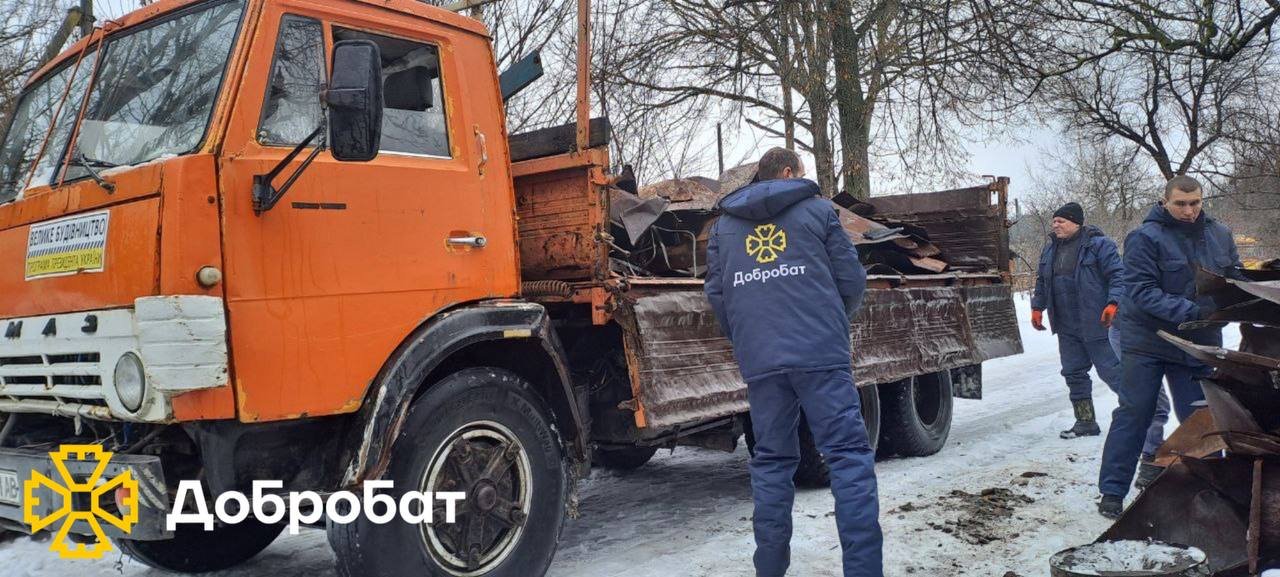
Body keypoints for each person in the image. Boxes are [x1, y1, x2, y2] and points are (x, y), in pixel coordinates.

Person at [705, 147, 881, 577]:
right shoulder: (818, 213)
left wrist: (750, 339)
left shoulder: (724, 228)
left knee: (771, 463)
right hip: (821, 354)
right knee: (847, 458)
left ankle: (769, 570)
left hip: (762, 361)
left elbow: (717, 296)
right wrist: (831, 319)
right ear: (788, 173)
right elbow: (851, 280)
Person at [1098, 175, 1243, 519]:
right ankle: (1112, 492)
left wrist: (1243, 298)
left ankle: (1212, 491)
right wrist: (1194, 313)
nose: (1189, 211)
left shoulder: (1220, 234)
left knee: (1202, 416)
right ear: (1165, 202)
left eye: (1195, 203)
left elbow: (1233, 276)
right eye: (1181, 203)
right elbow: (1142, 290)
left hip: (1198, 341)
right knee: (1136, 411)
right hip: (1148, 339)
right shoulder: (1144, 238)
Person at [1030, 203, 1167, 446]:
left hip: (1098, 323)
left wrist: (1113, 303)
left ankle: (1141, 416)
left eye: (1061, 221)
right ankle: (1085, 422)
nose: (1055, 225)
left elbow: (1118, 275)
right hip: (1066, 326)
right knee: (1073, 373)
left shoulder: (1099, 245)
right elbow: (1042, 281)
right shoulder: (1050, 250)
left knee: (1113, 373)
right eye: (1054, 221)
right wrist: (1037, 307)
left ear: (1076, 222)